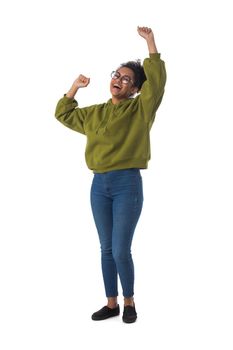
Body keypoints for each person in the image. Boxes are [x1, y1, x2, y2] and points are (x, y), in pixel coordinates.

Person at [55, 26, 166, 323]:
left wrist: (151, 43)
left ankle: (129, 301)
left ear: (135, 89)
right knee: (105, 248)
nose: (118, 80)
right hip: (98, 185)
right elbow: (64, 114)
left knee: (120, 249)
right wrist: (75, 87)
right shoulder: (95, 113)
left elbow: (156, 84)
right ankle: (111, 303)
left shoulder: (140, 110)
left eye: (126, 79)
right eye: (116, 75)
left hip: (126, 183)